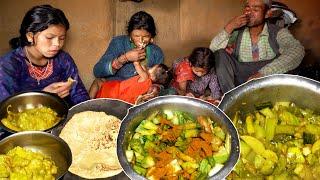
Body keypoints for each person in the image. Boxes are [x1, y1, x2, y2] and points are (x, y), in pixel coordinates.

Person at [0, 5, 89, 106]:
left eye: (62, 38)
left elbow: (79, 94)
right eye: (50, 37)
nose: (57, 44)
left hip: (63, 117)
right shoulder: (8, 65)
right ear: (30, 36)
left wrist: (87, 113)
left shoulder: (63, 59)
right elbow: (6, 109)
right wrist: (42, 97)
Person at [209, 0, 305, 94]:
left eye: (255, 10)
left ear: (267, 14)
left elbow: (297, 51)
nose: (249, 13)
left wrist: (262, 74)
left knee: (288, 63)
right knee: (220, 54)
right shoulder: (237, 31)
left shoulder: (278, 32)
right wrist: (230, 27)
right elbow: (212, 51)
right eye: (247, 8)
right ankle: (231, 97)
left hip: (267, 79)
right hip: (241, 79)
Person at [90, 11, 164, 93]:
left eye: (146, 36)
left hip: (138, 95)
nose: (141, 40)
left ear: (152, 37)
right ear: (129, 35)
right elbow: (97, 71)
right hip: (114, 90)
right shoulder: (118, 42)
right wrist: (124, 58)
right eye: (136, 36)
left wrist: (154, 89)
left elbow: (161, 81)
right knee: (97, 82)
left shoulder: (156, 52)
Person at [90, 62, 171, 104]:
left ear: (153, 77)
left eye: (152, 67)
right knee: (103, 83)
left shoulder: (145, 77)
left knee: (98, 81)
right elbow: (143, 69)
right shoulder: (148, 83)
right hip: (122, 101)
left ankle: (88, 101)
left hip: (115, 92)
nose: (149, 67)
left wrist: (136, 58)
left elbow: (136, 64)